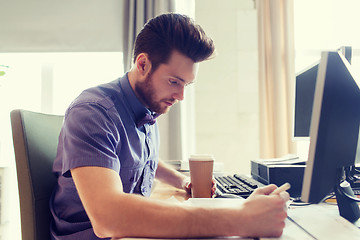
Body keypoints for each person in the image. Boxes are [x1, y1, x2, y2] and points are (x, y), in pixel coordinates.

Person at [50, 13, 289, 240]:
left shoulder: (145, 107)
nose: (181, 95)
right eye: (174, 81)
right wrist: (240, 218)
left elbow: (140, 161)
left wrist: (182, 181)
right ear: (143, 64)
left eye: (187, 84)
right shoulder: (94, 112)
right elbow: (107, 218)